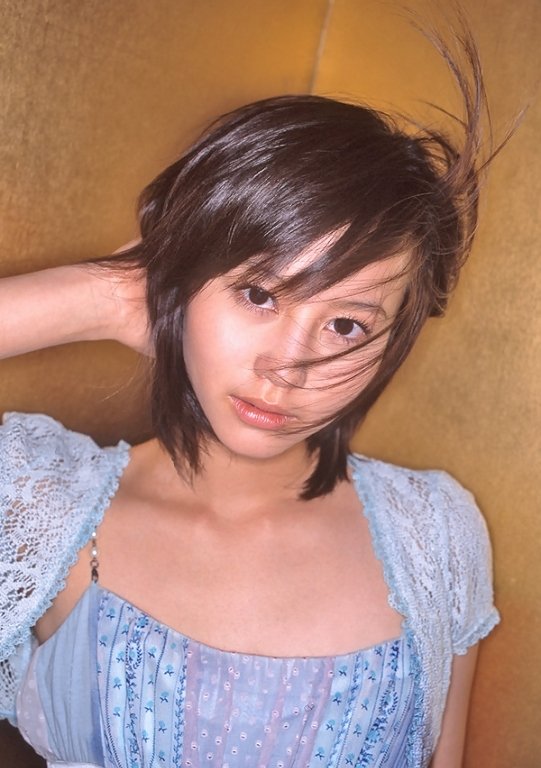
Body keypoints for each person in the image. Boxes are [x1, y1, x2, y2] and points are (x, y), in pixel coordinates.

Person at [0, 21, 504, 768]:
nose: (287, 367)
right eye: (259, 294)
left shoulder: (433, 531)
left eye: (345, 324)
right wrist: (104, 297)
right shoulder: (39, 506)